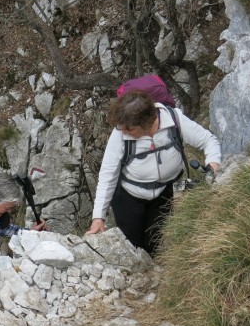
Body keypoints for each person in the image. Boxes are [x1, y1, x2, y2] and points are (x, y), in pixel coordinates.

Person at [86, 90, 221, 255]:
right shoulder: (120, 133)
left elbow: (208, 140)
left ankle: (152, 271)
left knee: (155, 242)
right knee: (131, 245)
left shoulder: (174, 119)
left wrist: (212, 167)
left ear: (147, 122)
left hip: (167, 192)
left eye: (130, 129)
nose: (125, 132)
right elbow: (107, 175)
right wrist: (98, 217)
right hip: (129, 197)